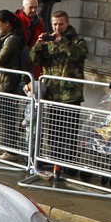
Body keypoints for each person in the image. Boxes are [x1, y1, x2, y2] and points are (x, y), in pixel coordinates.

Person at [30, 10, 89, 175]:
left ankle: (68, 165)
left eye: (61, 24)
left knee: (69, 132)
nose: (57, 27)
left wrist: (62, 41)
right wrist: (39, 44)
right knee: (54, 131)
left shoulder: (77, 40)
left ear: (67, 23)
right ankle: (54, 162)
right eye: (55, 24)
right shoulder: (49, 41)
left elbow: (78, 55)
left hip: (70, 94)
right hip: (52, 93)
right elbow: (34, 59)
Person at [0, 10, 27, 161]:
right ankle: (5, 147)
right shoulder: (6, 39)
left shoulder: (11, 40)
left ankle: (12, 150)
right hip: (3, 82)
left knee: (9, 118)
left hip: (8, 83)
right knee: (4, 118)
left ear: (7, 24)